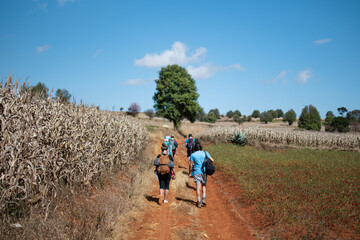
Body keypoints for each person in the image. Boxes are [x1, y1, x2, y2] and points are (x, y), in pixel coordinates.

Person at [188, 142, 214, 208]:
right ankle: (204, 199)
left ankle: (199, 202)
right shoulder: (205, 153)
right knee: (204, 185)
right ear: (201, 147)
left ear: (195, 148)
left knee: (198, 187)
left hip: (196, 172)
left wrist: (190, 173)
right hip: (204, 172)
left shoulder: (193, 155)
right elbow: (212, 160)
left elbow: (190, 165)